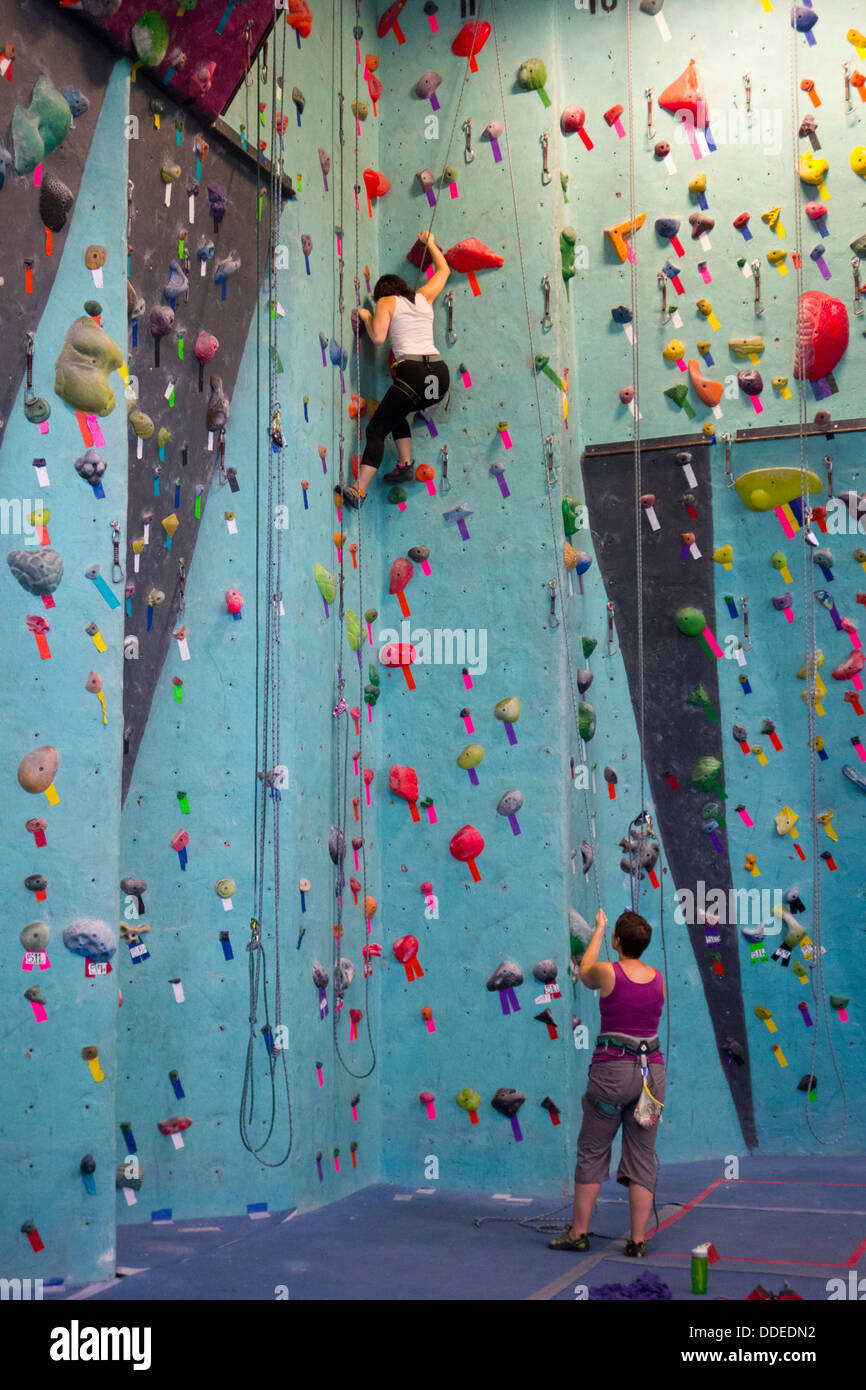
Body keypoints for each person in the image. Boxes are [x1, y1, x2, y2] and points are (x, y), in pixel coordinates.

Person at [549, 909, 666, 1258]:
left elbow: (584, 972)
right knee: (643, 1156)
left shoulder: (608, 972)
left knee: (593, 1149)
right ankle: (638, 1239)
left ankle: (579, 1233)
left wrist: (598, 930)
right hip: (651, 1076)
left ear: (617, 940)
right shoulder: (659, 978)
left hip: (613, 1073)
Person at [336, 229, 451, 509]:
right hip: (439, 377)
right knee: (397, 412)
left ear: (382, 293)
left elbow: (377, 337)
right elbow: (444, 270)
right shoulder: (423, 297)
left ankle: (359, 491)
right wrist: (431, 243)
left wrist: (366, 313)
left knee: (376, 430)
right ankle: (404, 465)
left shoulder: (387, 301)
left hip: (412, 373)